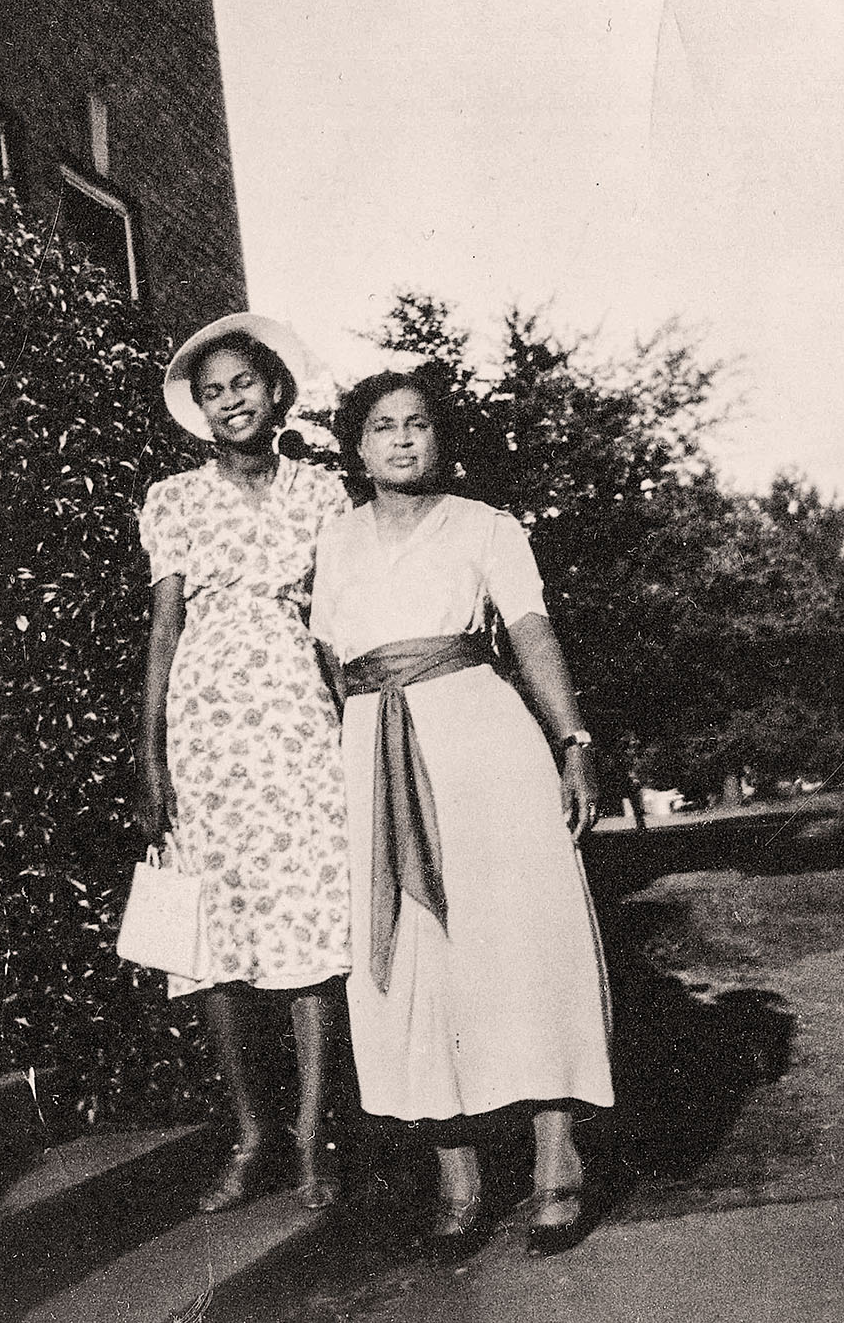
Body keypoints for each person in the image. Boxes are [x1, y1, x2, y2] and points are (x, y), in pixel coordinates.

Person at [311, 371, 613, 1261]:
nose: (403, 440)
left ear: (439, 439)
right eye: (382, 427)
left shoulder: (487, 526)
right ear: (356, 448)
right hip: (375, 753)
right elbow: (334, 665)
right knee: (411, 960)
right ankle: (458, 1178)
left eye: (418, 425)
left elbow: (530, 632)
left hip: (481, 747)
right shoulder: (333, 541)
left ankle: (558, 1164)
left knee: (523, 942)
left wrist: (573, 739)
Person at [136, 313, 351, 1213]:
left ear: (276, 392)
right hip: (207, 735)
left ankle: (311, 1141)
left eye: (244, 385)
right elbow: (163, 632)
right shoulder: (174, 500)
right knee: (213, 936)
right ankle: (251, 1133)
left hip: (301, 728)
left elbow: (338, 628)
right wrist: (150, 761)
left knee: (310, 930)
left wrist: (361, 728)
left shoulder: (324, 495)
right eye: (214, 390)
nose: (231, 402)